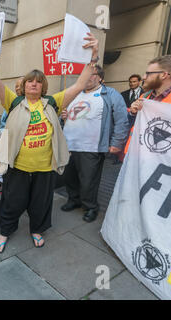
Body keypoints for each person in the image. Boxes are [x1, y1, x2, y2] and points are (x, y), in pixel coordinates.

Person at [0, 33, 99, 252]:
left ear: (43, 86)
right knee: (12, 202)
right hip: (18, 167)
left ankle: (36, 229)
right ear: (23, 86)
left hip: (44, 168)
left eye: (38, 82)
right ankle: (5, 232)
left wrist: (93, 56)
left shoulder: (53, 103)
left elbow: (80, 84)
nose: (34, 84)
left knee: (41, 203)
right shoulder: (13, 102)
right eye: (30, 81)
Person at [60, 65, 129, 222]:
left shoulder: (110, 94)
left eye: (92, 74)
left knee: (89, 181)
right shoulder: (75, 93)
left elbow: (121, 120)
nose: (88, 77)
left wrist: (116, 142)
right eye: (85, 75)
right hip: (69, 144)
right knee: (69, 177)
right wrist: (64, 116)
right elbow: (66, 116)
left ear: (100, 77)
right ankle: (74, 200)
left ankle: (91, 207)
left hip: (91, 147)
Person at [125, 55, 171, 151]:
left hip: (162, 161)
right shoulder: (144, 97)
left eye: (148, 73)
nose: (144, 77)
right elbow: (132, 126)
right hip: (136, 155)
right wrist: (132, 114)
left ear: (163, 75)